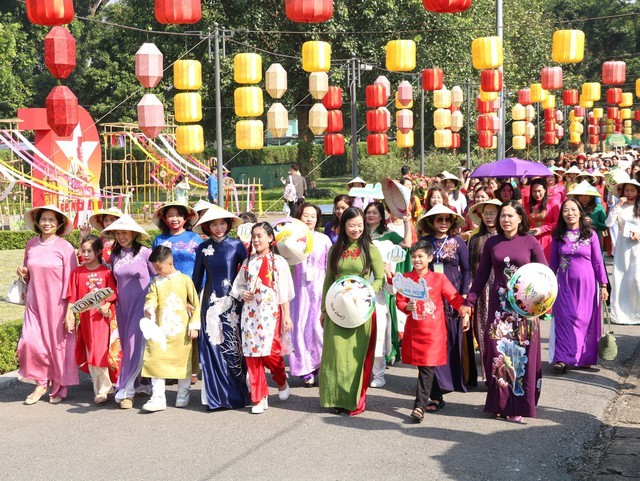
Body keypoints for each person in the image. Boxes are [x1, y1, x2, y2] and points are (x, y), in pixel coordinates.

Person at [460, 201, 547, 423]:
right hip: (499, 310)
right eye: (503, 216)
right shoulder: (492, 243)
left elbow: (544, 274)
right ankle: (501, 403)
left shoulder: (530, 242)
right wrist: (469, 302)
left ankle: (518, 404)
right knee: (499, 354)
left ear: (520, 218)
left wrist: (541, 303)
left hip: (525, 311)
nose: (505, 220)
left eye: (510, 216)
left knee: (522, 357)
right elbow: (480, 277)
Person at [320, 207, 384, 415]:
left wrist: (367, 293)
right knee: (336, 355)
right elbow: (329, 280)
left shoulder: (370, 249)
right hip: (336, 309)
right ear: (343, 226)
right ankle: (335, 399)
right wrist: (323, 309)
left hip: (361, 311)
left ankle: (353, 399)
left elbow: (380, 279)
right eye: (351, 225)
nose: (356, 229)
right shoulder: (334, 250)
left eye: (359, 225)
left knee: (355, 356)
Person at [396, 240, 470, 422]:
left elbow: (454, 298)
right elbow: (399, 301)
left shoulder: (439, 278)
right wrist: (407, 306)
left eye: (420, 256)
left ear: (429, 258)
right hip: (415, 330)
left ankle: (418, 407)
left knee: (427, 367)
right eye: (413, 256)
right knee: (424, 366)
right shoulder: (406, 279)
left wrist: (465, 312)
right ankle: (437, 396)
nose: (416, 259)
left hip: (434, 332)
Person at [17, 205, 78, 405]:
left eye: (52, 220)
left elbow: (72, 280)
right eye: (44, 219)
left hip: (58, 305)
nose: (47, 223)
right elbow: (30, 275)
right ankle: (41, 383)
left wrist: (71, 310)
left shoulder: (65, 247)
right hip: (35, 304)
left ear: (59, 223)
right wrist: (25, 274)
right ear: (37, 221)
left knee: (58, 347)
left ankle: (60, 386)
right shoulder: (31, 245)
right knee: (30, 342)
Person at [231, 222, 295, 414]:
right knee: (252, 355)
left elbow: (284, 291)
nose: (256, 240)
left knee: (270, 353)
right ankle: (259, 397)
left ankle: (281, 380)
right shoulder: (248, 262)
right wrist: (243, 294)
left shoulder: (279, 262)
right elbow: (238, 286)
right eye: (254, 236)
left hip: (271, 314)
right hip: (250, 316)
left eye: (260, 236)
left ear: (270, 238)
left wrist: (287, 316)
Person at [192, 206, 251, 410]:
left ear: (228, 224)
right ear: (207, 226)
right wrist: (191, 302)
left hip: (233, 303)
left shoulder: (237, 246)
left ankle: (237, 395)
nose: (219, 228)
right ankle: (215, 397)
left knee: (234, 348)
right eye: (214, 224)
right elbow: (197, 278)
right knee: (212, 347)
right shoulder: (202, 248)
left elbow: (247, 274)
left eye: (222, 223)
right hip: (210, 303)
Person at [102, 215, 156, 409]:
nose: (121, 236)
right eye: (117, 233)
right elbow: (109, 280)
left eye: (124, 232)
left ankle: (126, 390)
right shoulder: (114, 255)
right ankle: (141, 383)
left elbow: (157, 278)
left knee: (134, 345)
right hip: (123, 306)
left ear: (133, 233)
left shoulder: (145, 253)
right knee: (128, 346)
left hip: (141, 305)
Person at [549, 199, 608, 373]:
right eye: (566, 210)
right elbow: (553, 263)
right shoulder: (558, 235)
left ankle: (584, 357)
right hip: (564, 284)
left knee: (584, 320)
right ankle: (562, 358)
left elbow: (598, 262)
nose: (570, 213)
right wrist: (547, 284)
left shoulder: (590, 234)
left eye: (573, 210)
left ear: (580, 212)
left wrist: (603, 285)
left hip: (588, 285)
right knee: (564, 318)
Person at [417, 204, 473, 391]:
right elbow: (416, 266)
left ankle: (455, 380)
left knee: (454, 338)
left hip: (453, 296)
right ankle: (436, 383)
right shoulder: (425, 242)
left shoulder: (458, 241)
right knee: (434, 339)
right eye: (439, 219)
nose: (443, 223)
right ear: (431, 221)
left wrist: (464, 294)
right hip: (430, 296)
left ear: (452, 222)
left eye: (446, 219)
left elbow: (466, 270)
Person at [139, 246, 200, 412]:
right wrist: (149, 307)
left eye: (159, 268)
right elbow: (151, 298)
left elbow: (196, 303)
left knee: (183, 362)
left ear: (170, 262)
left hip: (181, 330)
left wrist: (194, 326)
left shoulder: (185, 280)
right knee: (155, 359)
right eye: (155, 269)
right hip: (161, 329)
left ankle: (183, 393)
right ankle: (158, 397)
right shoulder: (156, 282)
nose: (157, 271)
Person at [66, 235, 118, 404]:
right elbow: (72, 298)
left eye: (90, 251)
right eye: (83, 250)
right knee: (91, 352)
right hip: (86, 320)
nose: (86, 254)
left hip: (102, 320)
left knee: (100, 352)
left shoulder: (106, 272)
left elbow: (113, 294)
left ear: (98, 251)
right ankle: (100, 388)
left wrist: (107, 305)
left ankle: (104, 389)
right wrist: (70, 315)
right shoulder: (77, 273)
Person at [364, 201, 412, 386]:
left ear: (381, 215)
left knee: (379, 331)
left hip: (381, 287)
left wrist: (407, 221)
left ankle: (379, 374)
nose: (371, 215)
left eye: (375, 212)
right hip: (361, 287)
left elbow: (407, 244)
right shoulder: (359, 234)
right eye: (368, 212)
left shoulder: (389, 235)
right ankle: (363, 372)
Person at [289, 203, 332, 386]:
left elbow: (330, 266)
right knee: (298, 327)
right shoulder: (290, 239)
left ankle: (321, 365)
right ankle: (304, 368)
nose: (309, 219)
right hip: (299, 290)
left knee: (317, 328)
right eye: (305, 215)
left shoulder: (324, 240)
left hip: (319, 289)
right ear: (299, 217)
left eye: (313, 216)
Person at [466, 199, 501, 381]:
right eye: (486, 213)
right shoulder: (475, 239)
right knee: (482, 331)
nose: (488, 216)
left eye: (492, 213)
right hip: (481, 290)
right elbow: (470, 267)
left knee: (499, 332)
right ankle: (488, 375)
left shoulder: (504, 238)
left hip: (501, 290)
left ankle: (500, 372)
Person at [605, 179, 640, 325]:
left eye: (632, 190)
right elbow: (608, 223)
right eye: (627, 190)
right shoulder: (619, 207)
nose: (630, 193)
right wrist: (618, 205)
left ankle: (637, 314)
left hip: (637, 247)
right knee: (621, 279)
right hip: (622, 248)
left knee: (637, 278)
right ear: (622, 192)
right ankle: (620, 315)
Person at [152, 203, 202, 278]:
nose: (175, 219)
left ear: (185, 217)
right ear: (164, 218)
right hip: (167, 285)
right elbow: (154, 266)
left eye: (179, 215)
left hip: (191, 284)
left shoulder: (195, 238)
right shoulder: (159, 240)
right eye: (170, 215)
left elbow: (203, 264)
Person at [527, 178, 560, 260]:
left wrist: (542, 229)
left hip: (548, 241)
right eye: (534, 191)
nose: (537, 194)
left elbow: (557, 222)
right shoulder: (528, 204)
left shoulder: (553, 202)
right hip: (531, 239)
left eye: (539, 191)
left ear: (545, 190)